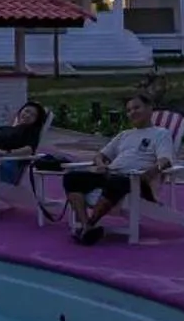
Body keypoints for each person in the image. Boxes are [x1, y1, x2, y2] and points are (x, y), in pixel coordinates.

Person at [63, 95, 172, 246]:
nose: (132, 112)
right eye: (129, 110)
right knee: (72, 177)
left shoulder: (161, 133)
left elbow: (165, 161)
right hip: (111, 175)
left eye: (136, 108)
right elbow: (100, 155)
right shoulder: (124, 135)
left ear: (149, 108)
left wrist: (151, 172)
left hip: (135, 180)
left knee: (117, 181)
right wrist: (101, 164)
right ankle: (86, 225)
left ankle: (89, 224)